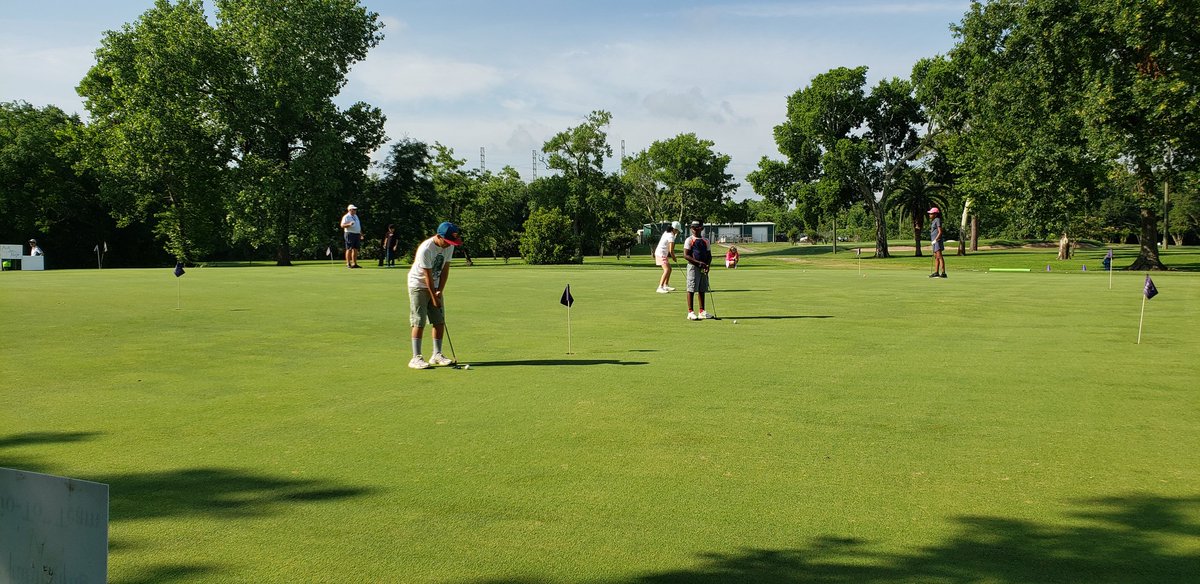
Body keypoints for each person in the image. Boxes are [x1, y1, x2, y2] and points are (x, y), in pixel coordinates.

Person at [407, 221, 463, 369]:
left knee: (439, 320)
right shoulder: (426, 249)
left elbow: (445, 270)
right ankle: (416, 357)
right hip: (418, 285)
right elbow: (427, 276)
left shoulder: (449, 246)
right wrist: (433, 297)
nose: (449, 245)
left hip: (435, 284)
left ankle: (437, 354)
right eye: (447, 241)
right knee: (419, 321)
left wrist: (440, 291)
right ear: (439, 236)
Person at [683, 220, 715, 320]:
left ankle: (702, 311)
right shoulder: (689, 240)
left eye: (696, 228)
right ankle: (690, 312)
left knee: (702, 289)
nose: (694, 229)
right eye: (692, 228)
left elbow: (709, 255)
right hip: (693, 267)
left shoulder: (706, 241)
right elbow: (686, 255)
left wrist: (707, 265)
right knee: (691, 288)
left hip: (703, 267)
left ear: (701, 229)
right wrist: (698, 263)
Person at [654, 221, 680, 293]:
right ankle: (660, 287)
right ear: (674, 229)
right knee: (667, 269)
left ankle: (666, 285)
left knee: (669, 269)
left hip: (661, 253)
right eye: (677, 230)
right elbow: (671, 250)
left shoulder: (667, 232)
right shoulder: (671, 236)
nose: (677, 232)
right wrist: (674, 258)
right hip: (660, 254)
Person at [340, 204, 363, 269]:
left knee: (355, 249)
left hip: (357, 234)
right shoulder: (346, 217)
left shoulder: (356, 216)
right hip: (349, 233)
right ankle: (348, 263)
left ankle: (354, 264)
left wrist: (361, 234)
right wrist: (349, 224)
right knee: (349, 249)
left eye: (355, 209)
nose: (355, 210)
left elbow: (358, 226)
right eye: (354, 209)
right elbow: (342, 225)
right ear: (349, 210)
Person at [928, 207, 947, 278]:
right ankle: (936, 272)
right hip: (934, 241)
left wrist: (936, 240)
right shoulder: (934, 221)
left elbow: (940, 232)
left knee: (939, 256)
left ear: (935, 214)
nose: (930, 215)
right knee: (936, 257)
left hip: (937, 241)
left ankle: (943, 273)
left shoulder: (937, 220)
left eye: (931, 214)